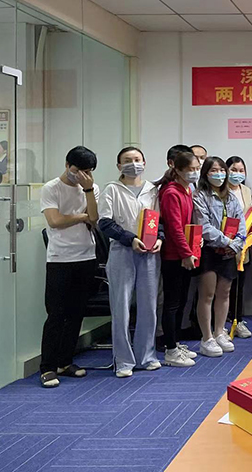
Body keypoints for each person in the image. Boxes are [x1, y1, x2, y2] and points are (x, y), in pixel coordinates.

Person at [98, 147, 162, 378]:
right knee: (121, 307)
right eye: (127, 161)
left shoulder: (153, 190)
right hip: (122, 252)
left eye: (136, 160)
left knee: (148, 307)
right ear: (118, 166)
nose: (133, 164)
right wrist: (130, 239)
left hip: (149, 253)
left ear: (144, 162)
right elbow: (104, 222)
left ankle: (147, 356)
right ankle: (123, 361)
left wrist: (160, 240)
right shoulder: (112, 189)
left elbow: (160, 221)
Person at [39, 146, 99, 388]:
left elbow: (94, 218)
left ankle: (65, 361)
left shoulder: (91, 188)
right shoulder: (51, 187)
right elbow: (54, 221)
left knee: (76, 313)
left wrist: (88, 191)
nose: (82, 175)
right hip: (60, 259)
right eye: (78, 170)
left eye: (88, 171)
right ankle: (47, 367)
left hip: (86, 256)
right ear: (67, 165)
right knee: (56, 315)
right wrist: (81, 216)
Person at [193, 157, 246, 358]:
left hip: (230, 251)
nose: (219, 174)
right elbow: (203, 226)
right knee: (207, 294)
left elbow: (241, 224)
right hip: (209, 250)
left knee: (225, 293)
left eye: (221, 170)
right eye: (213, 170)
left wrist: (237, 244)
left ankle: (219, 332)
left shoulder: (231, 197)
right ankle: (206, 338)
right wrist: (226, 242)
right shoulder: (200, 196)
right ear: (205, 174)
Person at [158, 150, 201, 367]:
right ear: (178, 169)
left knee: (182, 300)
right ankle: (170, 350)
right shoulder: (170, 192)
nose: (194, 173)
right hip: (174, 255)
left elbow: (188, 224)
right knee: (173, 302)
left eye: (196, 169)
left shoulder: (187, 189)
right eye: (190, 169)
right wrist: (185, 253)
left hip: (186, 252)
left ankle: (175, 342)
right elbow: (174, 228)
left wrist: (194, 246)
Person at [225, 156, 252, 339]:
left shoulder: (247, 190)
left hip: (244, 245)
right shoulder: (220, 190)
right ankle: (221, 324)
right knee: (224, 286)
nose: (237, 174)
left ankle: (238, 319)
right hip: (225, 245)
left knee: (240, 285)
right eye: (233, 170)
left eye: (241, 170)